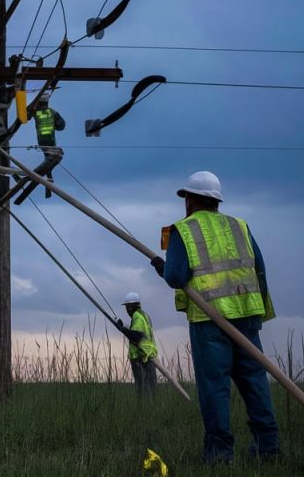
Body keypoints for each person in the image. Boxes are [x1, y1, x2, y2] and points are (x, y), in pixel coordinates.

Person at [150, 171, 279, 464]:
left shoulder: (182, 229)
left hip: (210, 320)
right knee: (255, 383)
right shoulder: (240, 226)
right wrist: (259, 313)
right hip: (247, 316)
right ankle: (268, 450)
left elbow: (175, 276)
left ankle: (220, 456)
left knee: (214, 388)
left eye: (185, 198)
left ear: (190, 199)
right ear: (216, 201)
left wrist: (163, 268)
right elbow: (259, 269)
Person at [114, 292, 158, 397]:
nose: (127, 310)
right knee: (149, 388)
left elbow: (136, 336)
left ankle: (145, 410)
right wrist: (123, 325)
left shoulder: (137, 317)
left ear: (129, 307)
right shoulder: (143, 315)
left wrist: (122, 330)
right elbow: (137, 330)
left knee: (144, 390)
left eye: (127, 307)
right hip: (147, 355)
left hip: (142, 357)